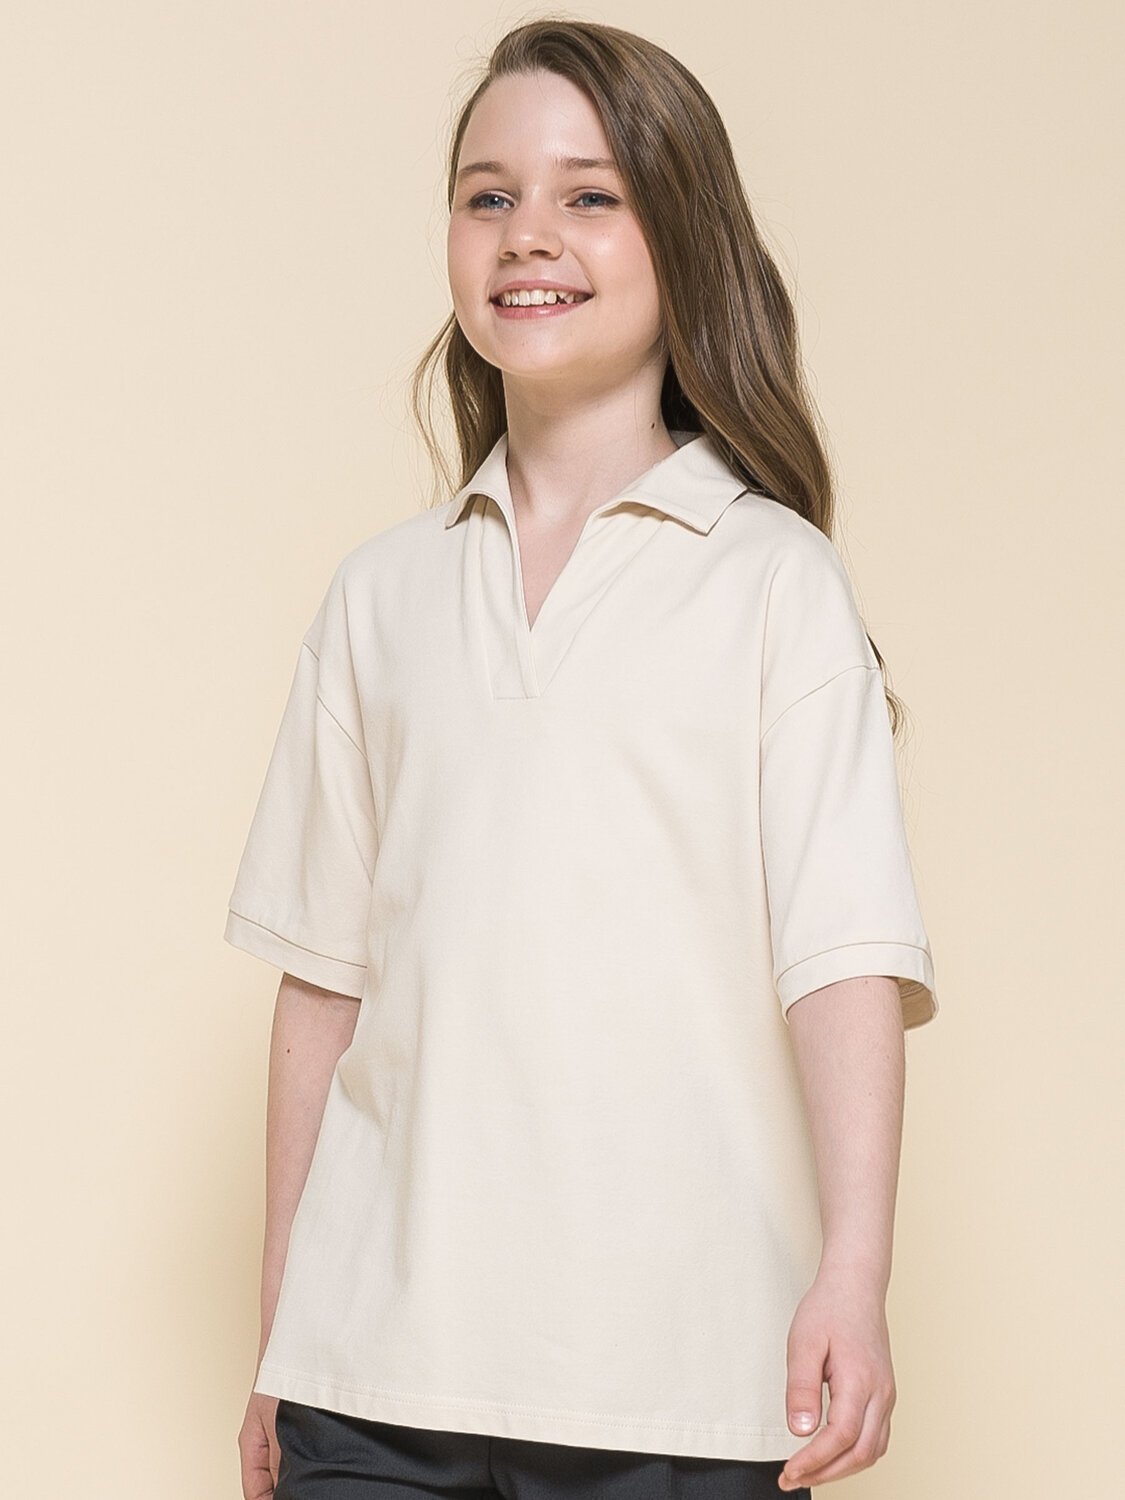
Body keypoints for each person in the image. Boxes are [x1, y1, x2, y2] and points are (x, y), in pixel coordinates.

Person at [225, 18, 937, 1500]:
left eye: (589, 195)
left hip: (676, 1377)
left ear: (684, 237)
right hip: (372, 1377)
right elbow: (321, 984)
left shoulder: (773, 582)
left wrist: (855, 1273)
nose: (527, 234)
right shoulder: (379, 596)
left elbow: (843, 960)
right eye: (486, 195)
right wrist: (285, 1335)